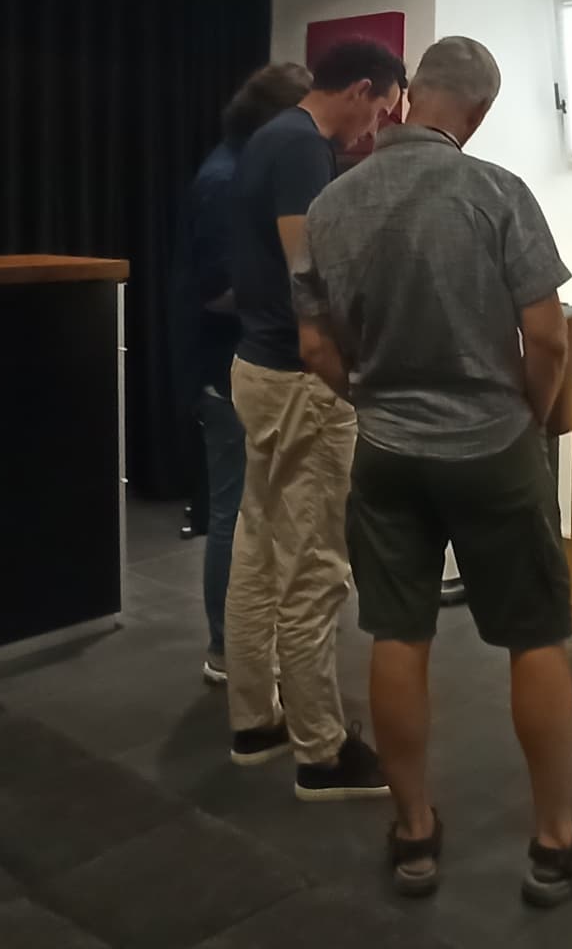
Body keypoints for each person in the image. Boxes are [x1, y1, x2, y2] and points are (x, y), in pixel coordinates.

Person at [294, 37, 572, 904]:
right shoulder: (497, 192)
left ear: (409, 98)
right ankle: (555, 844)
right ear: (476, 113)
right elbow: (546, 337)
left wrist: (371, 399)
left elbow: (316, 346)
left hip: (387, 453)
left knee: (397, 634)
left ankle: (413, 833)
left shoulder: (329, 204)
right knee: (534, 637)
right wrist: (531, 413)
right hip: (491, 447)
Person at [224, 37, 407, 801]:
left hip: (257, 368)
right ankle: (321, 751)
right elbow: (312, 274)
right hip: (302, 382)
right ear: (361, 89)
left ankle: (255, 719)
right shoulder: (303, 147)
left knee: (259, 550)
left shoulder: (271, 138)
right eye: (383, 108)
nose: (378, 125)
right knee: (317, 565)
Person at [181, 62, 311, 686]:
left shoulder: (243, 170)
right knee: (236, 513)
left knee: (258, 513)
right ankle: (227, 650)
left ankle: (248, 644)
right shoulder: (225, 180)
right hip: (227, 364)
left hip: (248, 361)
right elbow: (214, 290)